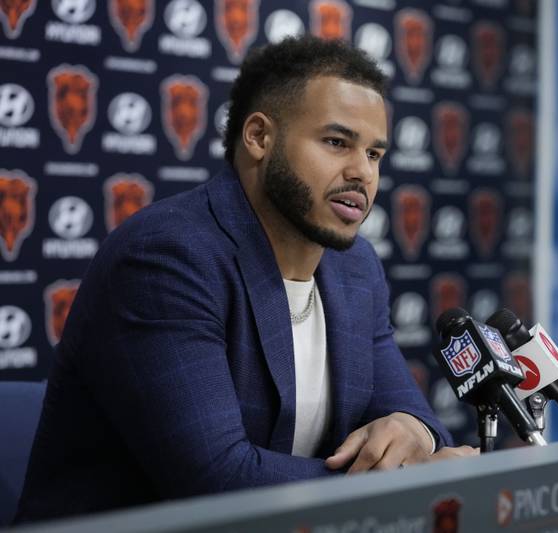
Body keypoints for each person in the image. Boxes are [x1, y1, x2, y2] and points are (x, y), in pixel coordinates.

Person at [15, 36, 475, 523]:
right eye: (337, 143)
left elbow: (416, 419)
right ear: (259, 137)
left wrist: (415, 432)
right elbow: (217, 479)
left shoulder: (354, 268)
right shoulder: (167, 257)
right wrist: (410, 483)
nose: (362, 173)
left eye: (375, 154)